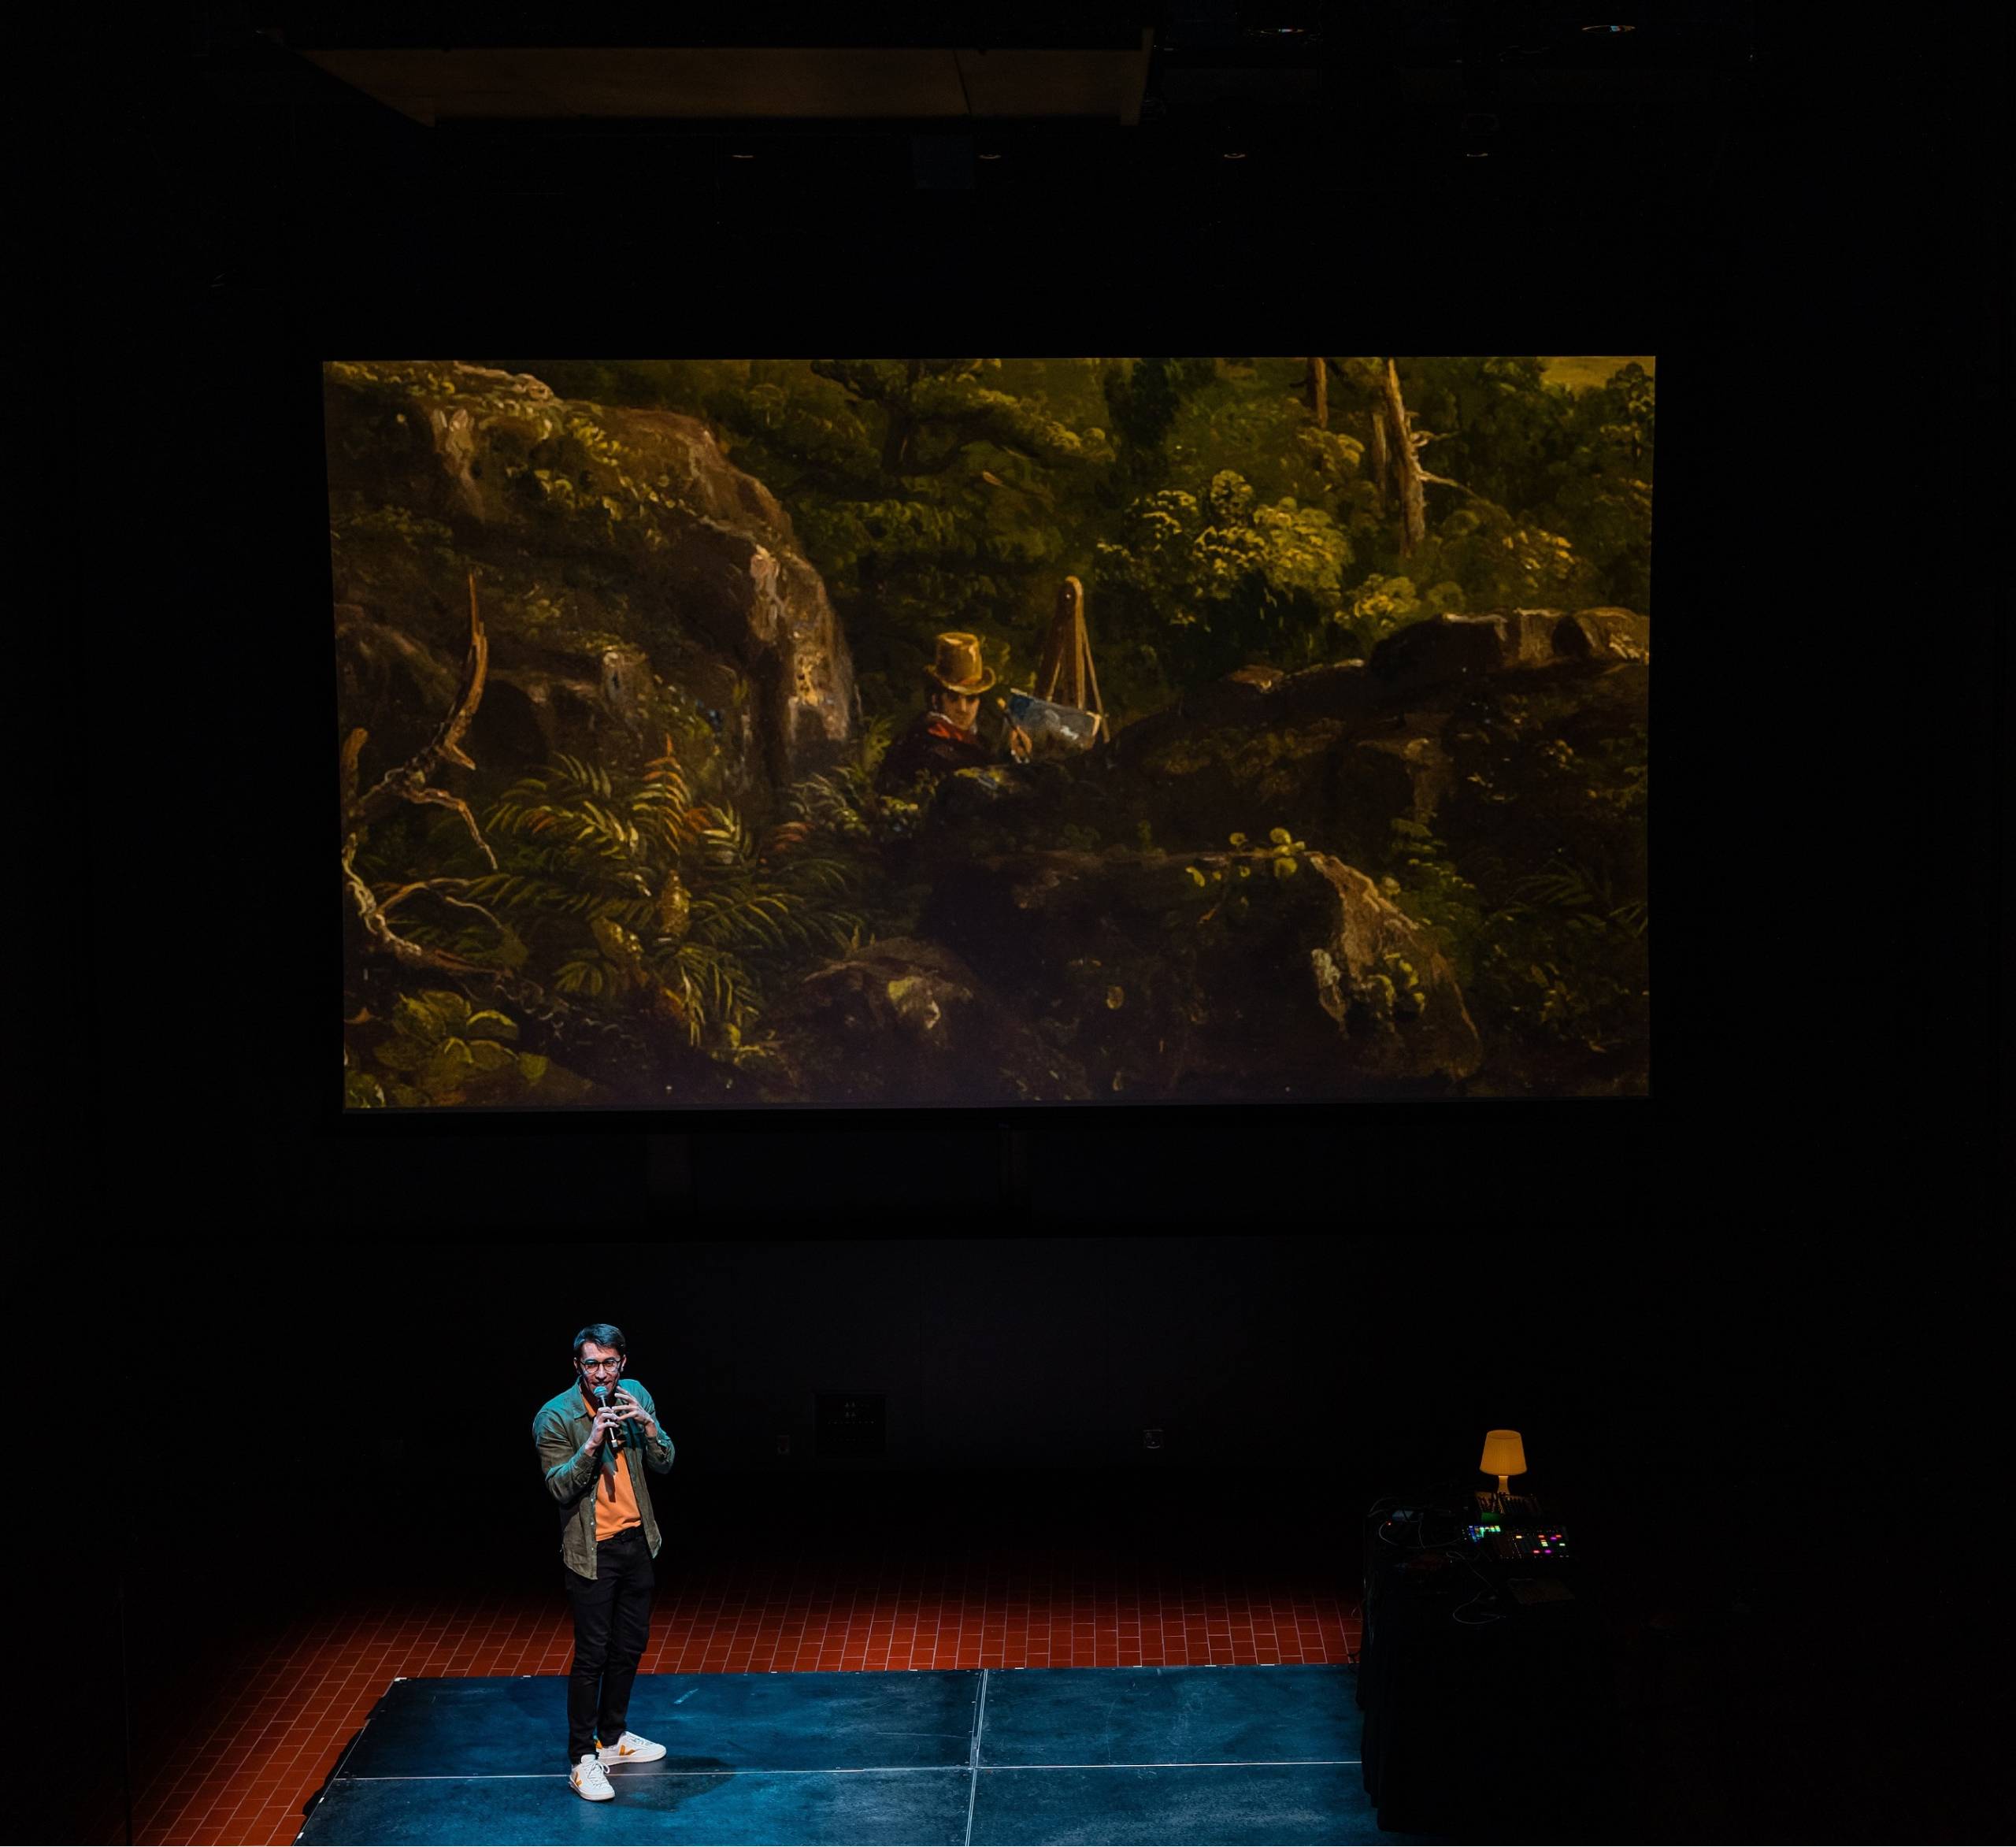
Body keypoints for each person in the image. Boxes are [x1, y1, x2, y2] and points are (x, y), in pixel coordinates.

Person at [532, 1322, 676, 1801]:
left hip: (637, 1542)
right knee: (592, 1655)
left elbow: (665, 1462)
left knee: (630, 1646)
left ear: (622, 1363)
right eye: (591, 1363)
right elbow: (558, 1487)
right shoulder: (556, 1416)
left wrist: (650, 1426)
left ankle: (612, 1740)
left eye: (609, 1363)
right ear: (578, 1366)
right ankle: (581, 1758)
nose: (601, 1373)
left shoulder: (635, 1395)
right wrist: (591, 1444)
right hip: (592, 1552)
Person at [875, 631, 1031, 796]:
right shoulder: (925, 743)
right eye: (953, 698)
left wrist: (1015, 754)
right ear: (936, 700)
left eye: (971, 699)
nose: (963, 708)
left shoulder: (977, 741)